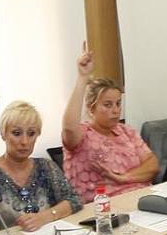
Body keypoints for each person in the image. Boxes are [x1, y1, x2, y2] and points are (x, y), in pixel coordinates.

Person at [0, 75, 81, 235]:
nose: (25, 141)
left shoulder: (45, 166)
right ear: (3, 133)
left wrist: (45, 217)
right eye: (17, 133)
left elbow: (73, 200)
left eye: (31, 133)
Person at [61, 44, 158, 201]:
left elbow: (152, 164)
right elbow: (68, 128)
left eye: (118, 103)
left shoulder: (126, 131)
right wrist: (82, 77)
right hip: (104, 208)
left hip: (141, 198)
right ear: (91, 108)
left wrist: (124, 178)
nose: (115, 110)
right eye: (107, 105)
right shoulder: (83, 136)